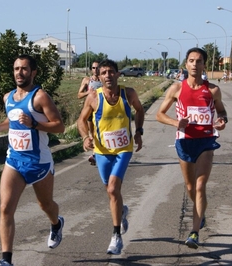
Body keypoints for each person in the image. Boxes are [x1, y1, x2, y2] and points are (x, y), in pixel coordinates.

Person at [0, 54, 65, 266]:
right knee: (5, 208)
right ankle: (6, 260)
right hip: (14, 160)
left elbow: (59, 125)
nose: (19, 73)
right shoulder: (7, 97)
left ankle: (56, 224)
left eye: (23, 69)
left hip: (39, 162)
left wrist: (34, 124)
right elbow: (11, 121)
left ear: (33, 72)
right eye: (16, 69)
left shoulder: (40, 97)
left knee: (46, 204)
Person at [156, 47, 227, 249]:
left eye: (199, 61)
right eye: (191, 60)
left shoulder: (213, 90)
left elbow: (222, 112)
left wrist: (222, 121)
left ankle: (194, 232)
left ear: (204, 65)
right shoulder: (177, 89)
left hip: (205, 142)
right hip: (184, 141)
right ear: (186, 64)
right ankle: (200, 211)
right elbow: (159, 114)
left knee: (199, 185)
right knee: (189, 187)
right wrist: (175, 123)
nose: (195, 64)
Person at [77, 59, 144, 255]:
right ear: (99, 76)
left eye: (111, 72)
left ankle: (116, 235)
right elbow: (81, 120)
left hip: (123, 149)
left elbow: (139, 110)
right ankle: (121, 211)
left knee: (114, 188)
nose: (107, 76)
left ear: (118, 74)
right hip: (102, 151)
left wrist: (139, 131)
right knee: (110, 191)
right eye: (103, 72)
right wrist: (85, 137)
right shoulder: (93, 97)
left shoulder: (128, 93)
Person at [77, 61, 102, 165]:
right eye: (93, 68)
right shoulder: (87, 80)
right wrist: (88, 92)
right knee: (92, 133)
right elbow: (78, 95)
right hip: (89, 110)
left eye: (97, 68)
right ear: (91, 69)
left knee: (99, 132)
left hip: (100, 109)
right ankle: (95, 154)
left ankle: (98, 154)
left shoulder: (103, 80)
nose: (95, 70)